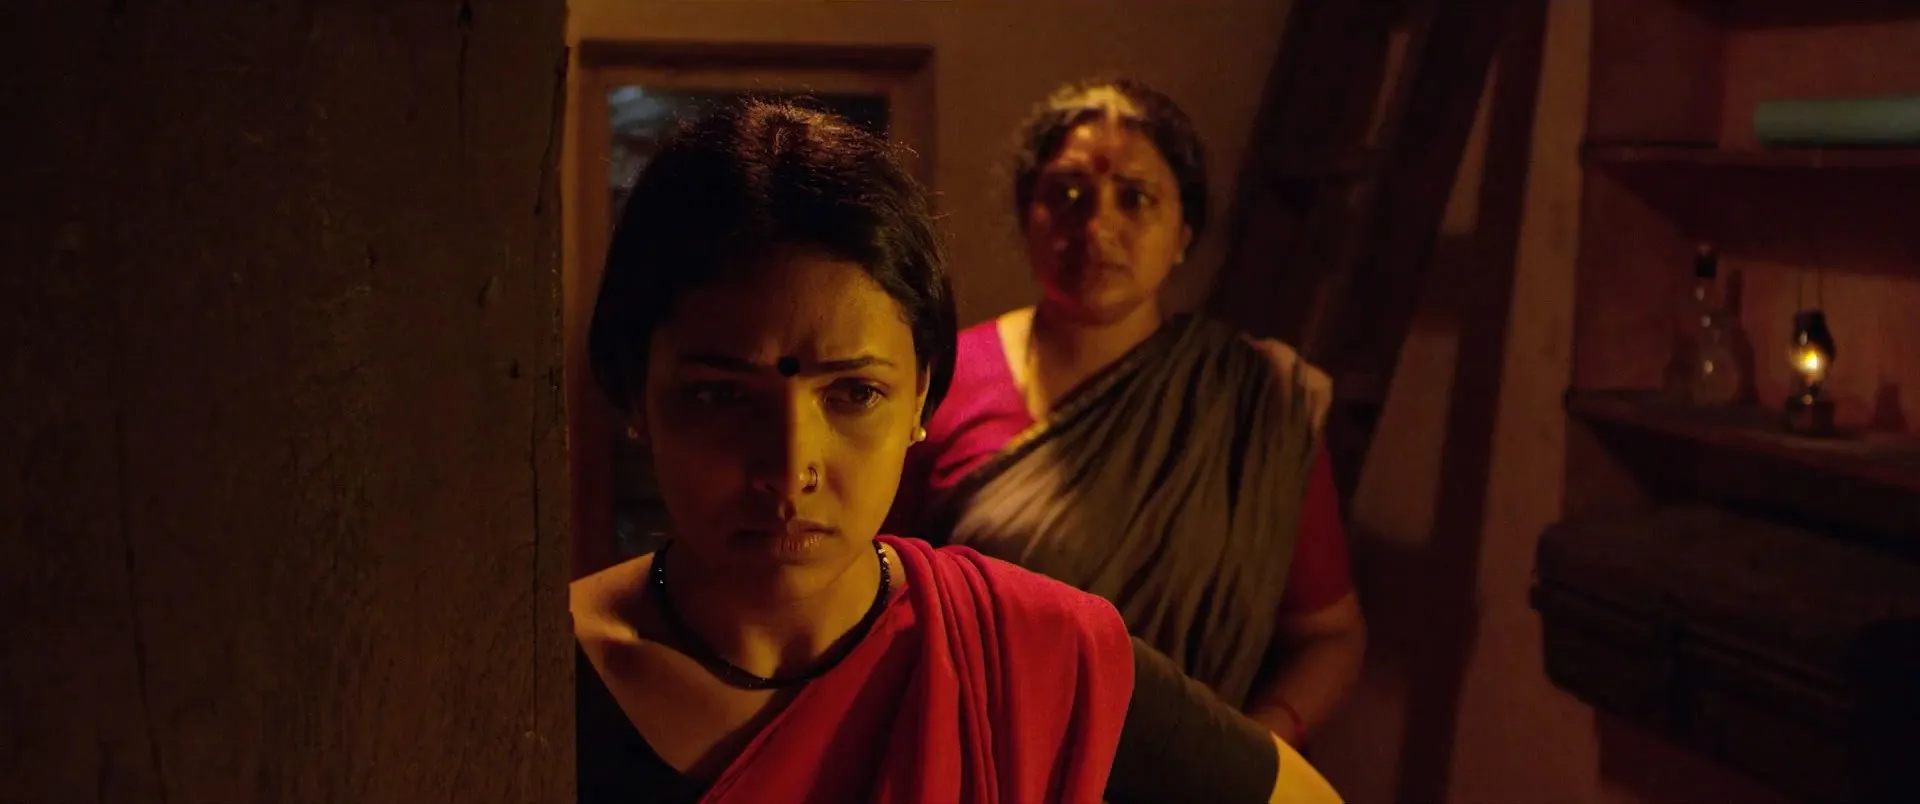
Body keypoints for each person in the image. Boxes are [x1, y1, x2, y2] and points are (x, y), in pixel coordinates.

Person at [570, 99, 1344, 804]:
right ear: (633, 392)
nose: (789, 468)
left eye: (854, 394)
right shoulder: (538, 674)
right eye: (719, 396)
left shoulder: (1034, 659)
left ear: (919, 399)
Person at [885, 78, 1368, 748]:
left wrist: (1244, 756)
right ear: (1028, 215)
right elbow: (871, 603)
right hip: (984, 769)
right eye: (1067, 195)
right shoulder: (940, 382)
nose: (1097, 228)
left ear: (1183, 233)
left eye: (1135, 197)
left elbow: (1330, 633)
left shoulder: (1255, 405)